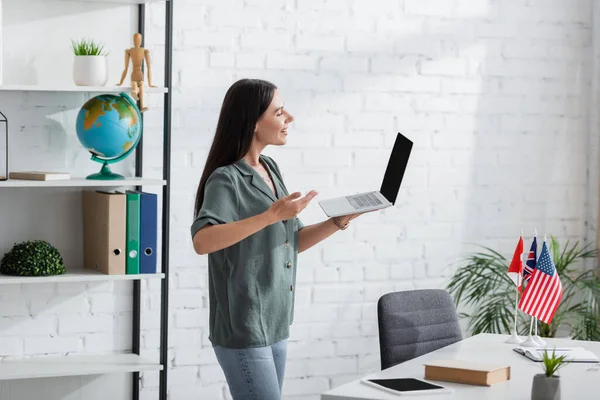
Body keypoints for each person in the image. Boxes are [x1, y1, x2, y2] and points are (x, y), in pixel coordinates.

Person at [191, 78, 366, 400]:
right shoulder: (226, 178)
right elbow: (203, 241)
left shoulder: (269, 167)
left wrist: (338, 220)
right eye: (280, 112)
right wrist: (270, 216)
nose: (290, 119)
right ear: (254, 122)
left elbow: (292, 241)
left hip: (275, 321)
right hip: (244, 326)